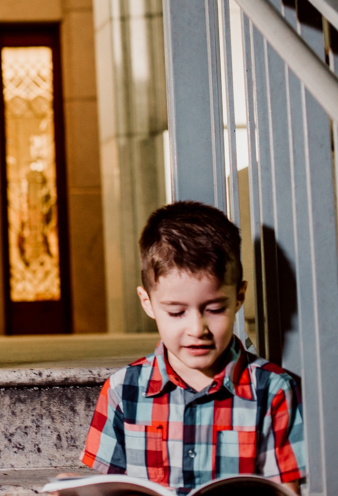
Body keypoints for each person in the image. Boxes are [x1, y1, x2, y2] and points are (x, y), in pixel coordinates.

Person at [81, 201, 306, 493]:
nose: (197, 329)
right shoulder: (122, 390)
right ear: (147, 302)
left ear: (239, 297)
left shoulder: (273, 391)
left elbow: (286, 491)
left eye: (214, 309)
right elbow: (107, 489)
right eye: (176, 312)